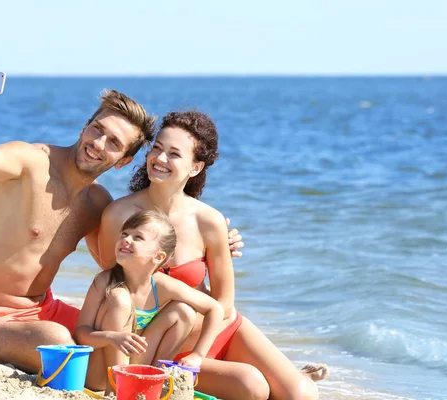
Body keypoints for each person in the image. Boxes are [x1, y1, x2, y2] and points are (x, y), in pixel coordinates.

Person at [0, 62, 243, 374]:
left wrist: (215, 243)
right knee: (58, 341)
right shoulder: (30, 161)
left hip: (43, 311)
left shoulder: (96, 204)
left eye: (114, 143)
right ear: (85, 125)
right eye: (98, 129)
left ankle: (193, 374)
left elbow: (130, 265)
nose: (98, 144)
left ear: (123, 161)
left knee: (128, 328)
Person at [97, 111, 327, 400]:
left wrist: (201, 343)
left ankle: (295, 377)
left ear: (195, 167)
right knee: (253, 387)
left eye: (174, 154)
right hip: (163, 341)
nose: (160, 158)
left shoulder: (209, 221)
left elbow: (225, 304)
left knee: (301, 395)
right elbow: (113, 292)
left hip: (215, 326)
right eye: (157, 148)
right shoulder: (119, 215)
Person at [75, 209, 224, 392]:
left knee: (184, 311)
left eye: (138, 237)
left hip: (137, 364)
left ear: (159, 257)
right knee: (119, 297)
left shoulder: (162, 285)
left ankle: (153, 379)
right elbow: (81, 333)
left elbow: (215, 309)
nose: (126, 239)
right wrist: (111, 337)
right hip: (100, 373)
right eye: (124, 234)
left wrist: (198, 355)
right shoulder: (105, 281)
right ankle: (117, 389)